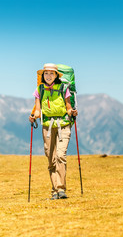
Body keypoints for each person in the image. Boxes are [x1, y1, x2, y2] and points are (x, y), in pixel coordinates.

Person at [29, 63, 78, 200]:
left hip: (63, 124)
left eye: (51, 73)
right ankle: (55, 190)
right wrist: (34, 116)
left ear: (56, 75)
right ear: (43, 75)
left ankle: (61, 189)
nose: (48, 76)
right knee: (51, 160)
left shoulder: (64, 88)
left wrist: (72, 112)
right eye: (46, 73)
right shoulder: (39, 90)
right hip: (47, 126)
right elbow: (38, 110)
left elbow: (68, 107)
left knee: (60, 155)